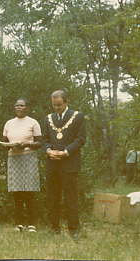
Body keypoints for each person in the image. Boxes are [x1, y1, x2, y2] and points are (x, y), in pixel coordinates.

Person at [42, 90, 86, 239]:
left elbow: (80, 139)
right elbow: (45, 139)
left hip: (69, 163)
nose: (57, 108)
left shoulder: (78, 116)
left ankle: (74, 229)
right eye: (54, 105)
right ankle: (54, 228)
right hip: (52, 163)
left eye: (59, 105)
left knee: (70, 197)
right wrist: (48, 150)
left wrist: (66, 152)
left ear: (66, 102)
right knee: (52, 197)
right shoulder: (48, 118)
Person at [1, 98, 42, 232]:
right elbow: (4, 143)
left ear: (27, 107)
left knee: (29, 191)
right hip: (14, 159)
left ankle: (31, 224)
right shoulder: (9, 123)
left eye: (22, 105)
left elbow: (39, 143)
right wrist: (11, 147)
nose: (19, 107)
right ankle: (18, 224)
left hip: (28, 158)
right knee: (17, 192)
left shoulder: (33, 122)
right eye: (17, 105)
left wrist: (27, 144)